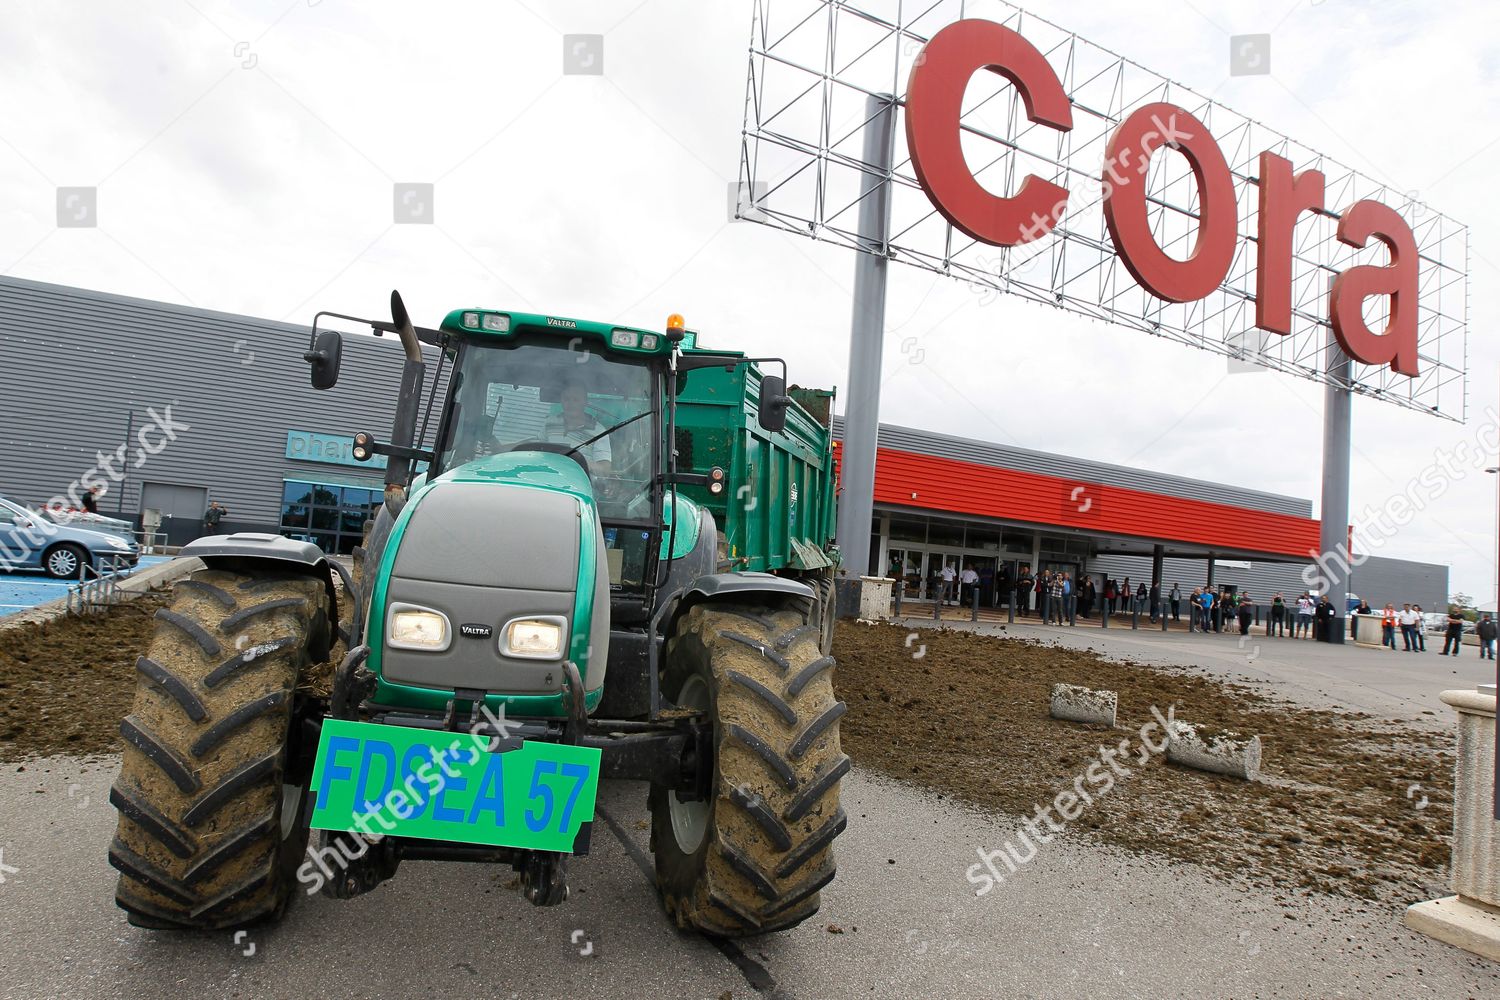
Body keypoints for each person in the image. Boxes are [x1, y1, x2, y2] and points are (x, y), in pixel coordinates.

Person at [542, 380, 614, 476]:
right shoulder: (550, 423)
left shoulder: (599, 431)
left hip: (581, 485)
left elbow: (605, 469)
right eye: (566, 399)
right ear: (561, 401)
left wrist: (579, 460)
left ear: (585, 402)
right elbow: (538, 449)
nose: (571, 403)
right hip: (548, 478)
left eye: (576, 399)